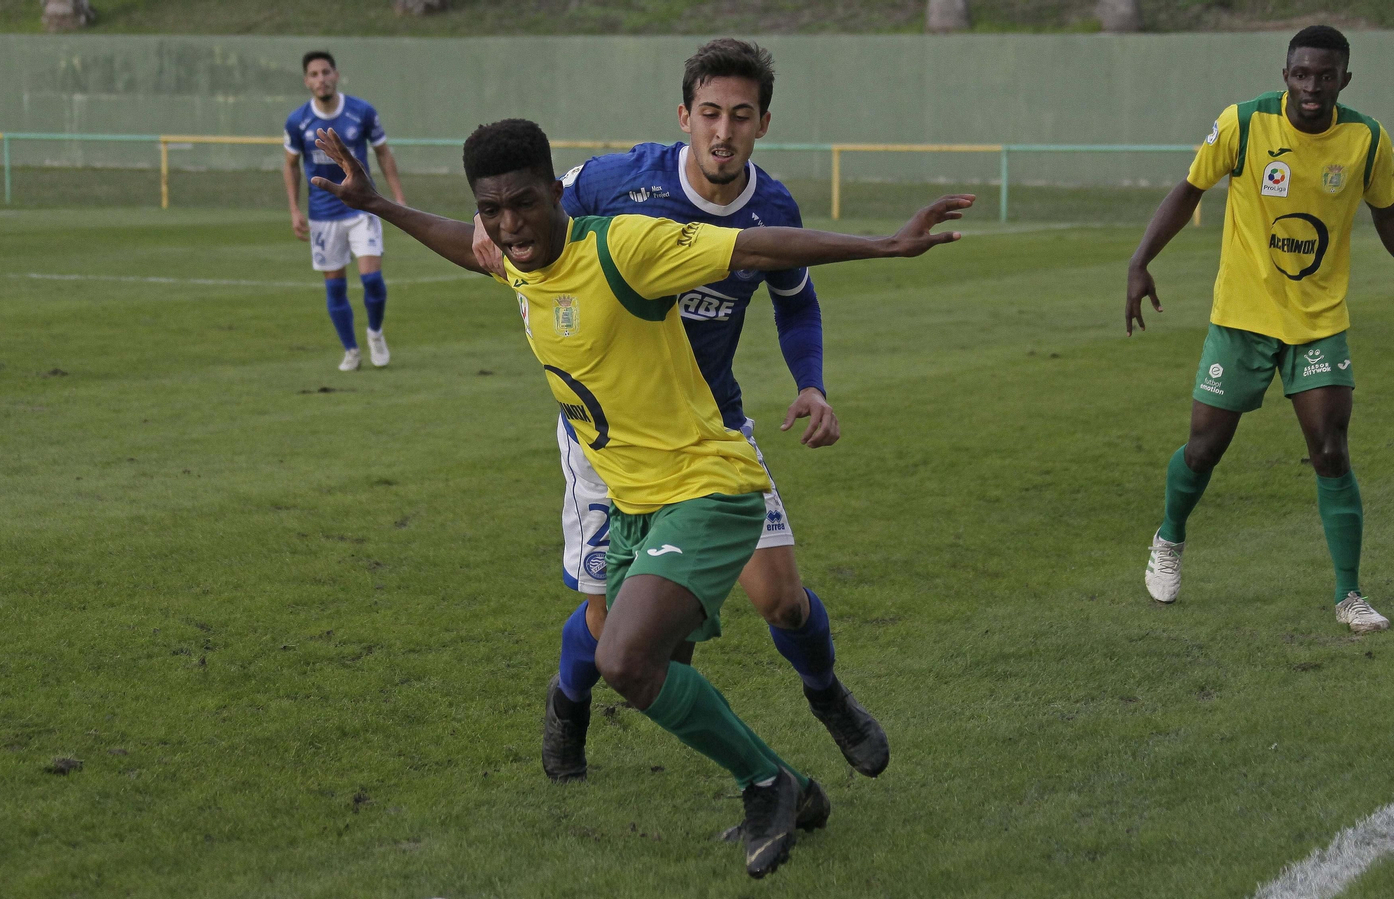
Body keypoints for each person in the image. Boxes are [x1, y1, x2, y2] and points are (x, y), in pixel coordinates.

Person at [309, 117, 971, 877]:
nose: (507, 225)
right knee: (643, 659)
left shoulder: (623, 246)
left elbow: (754, 248)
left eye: (522, 204)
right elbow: (468, 246)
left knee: (627, 658)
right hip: (634, 504)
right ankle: (796, 791)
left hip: (708, 487)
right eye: (491, 211)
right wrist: (379, 204)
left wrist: (886, 244)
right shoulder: (516, 257)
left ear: (555, 192)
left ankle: (771, 783)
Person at [470, 39, 886, 787]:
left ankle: (828, 696)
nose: (723, 132)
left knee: (783, 600)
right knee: (609, 625)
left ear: (763, 123)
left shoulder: (773, 208)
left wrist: (812, 383)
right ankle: (568, 703)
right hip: (610, 442)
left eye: (740, 115)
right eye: (709, 114)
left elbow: (796, 302)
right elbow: (529, 204)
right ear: (684, 116)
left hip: (710, 433)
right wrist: (487, 226)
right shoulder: (619, 180)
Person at [1126, 25, 1394, 633]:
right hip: (1242, 319)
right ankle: (1169, 537)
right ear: (1286, 76)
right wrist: (1140, 262)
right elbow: (1188, 190)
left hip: (1319, 321)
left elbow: (1389, 217)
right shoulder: (1243, 124)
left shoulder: (1368, 139)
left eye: (1325, 76)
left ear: (1343, 81)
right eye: (1301, 74)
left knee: (1330, 450)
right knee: (1204, 448)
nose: (1312, 87)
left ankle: (1349, 595)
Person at [283, 49, 406, 372]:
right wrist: (295, 209)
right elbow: (291, 165)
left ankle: (375, 332)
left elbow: (383, 154)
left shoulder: (361, 111)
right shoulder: (298, 121)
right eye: (314, 74)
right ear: (307, 81)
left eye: (326, 72)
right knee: (335, 286)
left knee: (372, 279)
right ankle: (351, 349)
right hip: (323, 215)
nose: (321, 79)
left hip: (362, 207)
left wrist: (398, 198)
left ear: (336, 75)